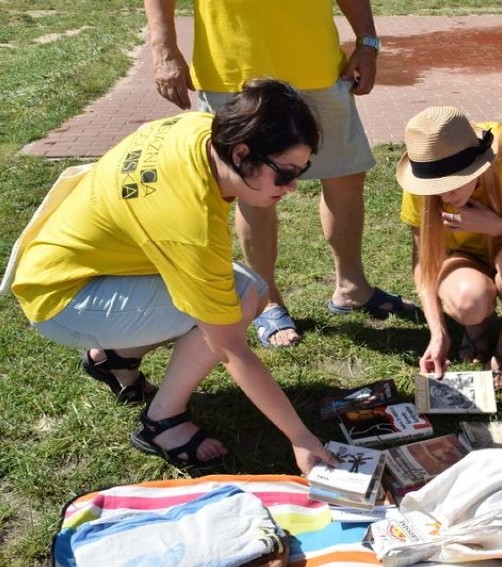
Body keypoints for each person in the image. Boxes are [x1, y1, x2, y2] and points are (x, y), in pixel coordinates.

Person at [9, 80, 338, 473]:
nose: (292, 187)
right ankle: (161, 421)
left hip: (66, 270)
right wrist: (301, 438)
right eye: (284, 173)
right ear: (241, 152)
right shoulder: (189, 224)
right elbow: (232, 349)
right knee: (242, 295)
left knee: (235, 289)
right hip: (62, 302)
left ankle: (115, 358)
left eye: (302, 170)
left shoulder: (199, 128)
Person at [143, 0, 414, 348]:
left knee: (346, 178)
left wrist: (367, 42)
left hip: (318, 68)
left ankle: (352, 288)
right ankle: (268, 300)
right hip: (231, 71)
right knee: (251, 188)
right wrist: (163, 48)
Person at [396, 106, 502, 389]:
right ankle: (476, 324)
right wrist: (438, 332)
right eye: (436, 187)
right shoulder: (422, 172)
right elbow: (424, 262)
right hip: (461, 260)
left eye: (453, 184)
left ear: (479, 163)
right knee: (470, 300)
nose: (444, 194)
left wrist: (500, 227)